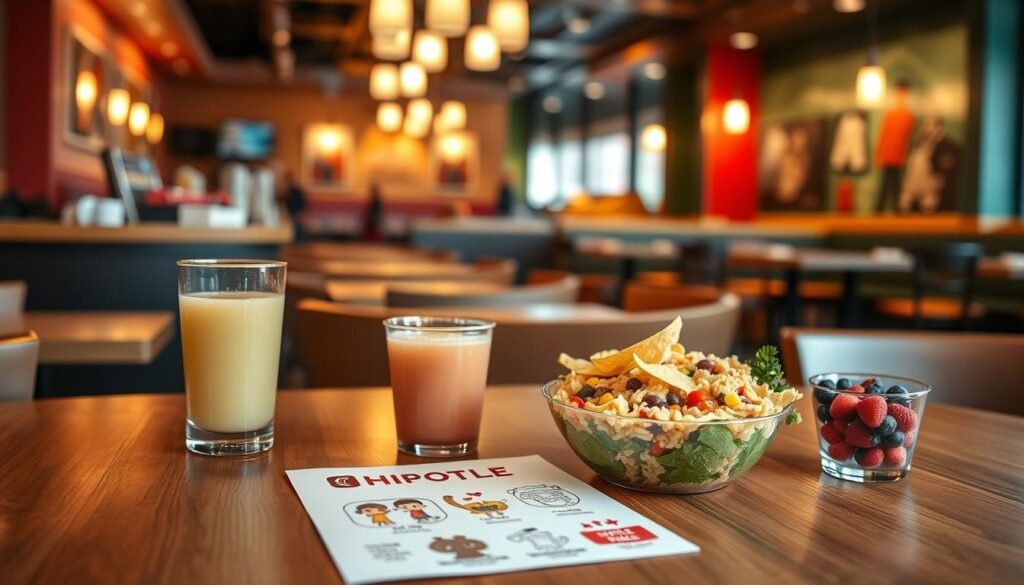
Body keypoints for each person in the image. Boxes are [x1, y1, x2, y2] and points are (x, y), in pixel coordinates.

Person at [874, 79, 916, 213]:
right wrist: (879, 154)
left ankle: (897, 210)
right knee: (885, 185)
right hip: (888, 155)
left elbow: (908, 138)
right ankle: (879, 210)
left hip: (898, 156)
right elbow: (883, 136)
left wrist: (905, 155)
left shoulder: (908, 116)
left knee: (896, 184)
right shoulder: (890, 114)